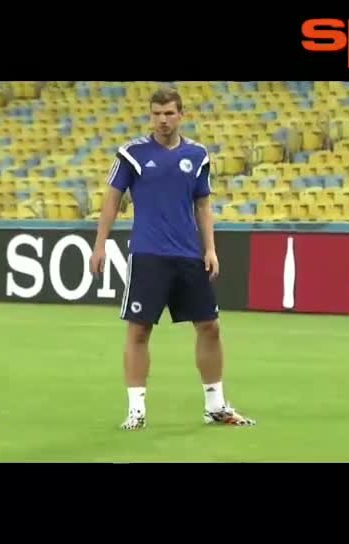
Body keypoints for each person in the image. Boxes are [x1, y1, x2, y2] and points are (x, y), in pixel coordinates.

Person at [89, 87, 255, 430]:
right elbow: (112, 199)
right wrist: (99, 245)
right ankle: (136, 410)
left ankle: (215, 406)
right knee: (139, 330)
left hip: (188, 254)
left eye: (168, 113)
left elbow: (203, 204)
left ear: (181, 115)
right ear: (150, 116)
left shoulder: (197, 155)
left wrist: (210, 249)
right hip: (148, 254)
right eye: (156, 114)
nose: (162, 120)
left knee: (210, 327)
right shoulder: (132, 153)